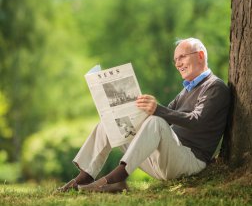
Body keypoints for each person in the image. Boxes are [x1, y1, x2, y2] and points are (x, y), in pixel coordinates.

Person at [57, 38, 231, 193]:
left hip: (191, 161)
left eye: (182, 57)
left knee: (156, 121)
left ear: (200, 55)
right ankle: (85, 176)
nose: (178, 64)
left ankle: (114, 179)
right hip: (166, 160)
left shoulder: (215, 87)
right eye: (175, 60)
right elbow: (162, 115)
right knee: (109, 123)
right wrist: (128, 109)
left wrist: (157, 109)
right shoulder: (187, 90)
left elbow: (196, 121)